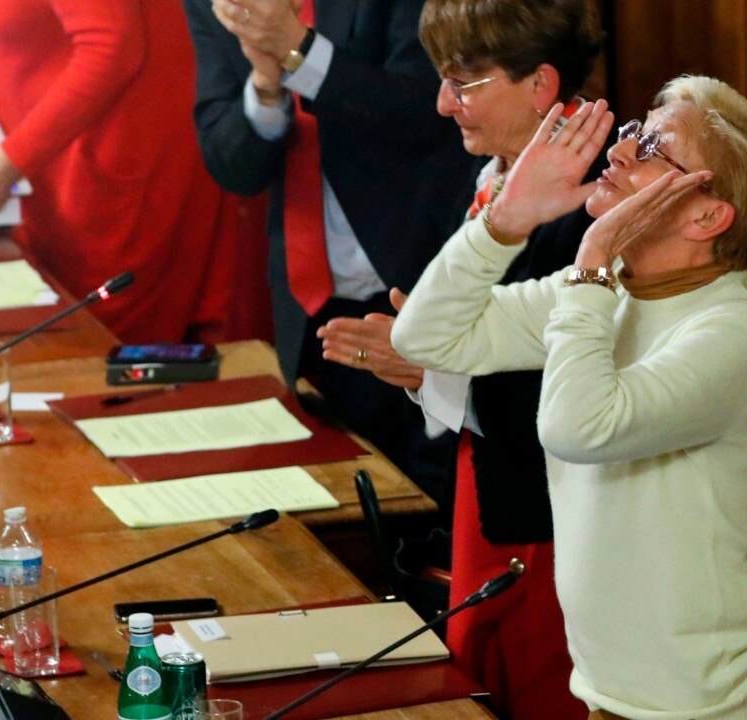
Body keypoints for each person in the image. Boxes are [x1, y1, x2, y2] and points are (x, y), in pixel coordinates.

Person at [391, 77, 747, 720]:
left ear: (707, 215)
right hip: (612, 688)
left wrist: (590, 263)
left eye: (653, 146)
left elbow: (576, 429)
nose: (618, 150)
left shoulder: (737, 329)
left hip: (714, 701)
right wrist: (507, 221)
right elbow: (424, 335)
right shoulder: (605, 288)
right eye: (631, 131)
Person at [315, 1, 602, 718]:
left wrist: (429, 369)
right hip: (484, 486)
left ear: (540, 85)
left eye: (465, 84)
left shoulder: (592, 208)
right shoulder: (481, 175)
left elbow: (577, 396)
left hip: (554, 513)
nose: (443, 106)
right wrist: (427, 366)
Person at [181, 0, 474, 502]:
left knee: (435, 511)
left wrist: (300, 51)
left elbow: (428, 110)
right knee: (346, 513)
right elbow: (232, 166)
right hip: (309, 305)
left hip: (421, 282)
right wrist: (266, 89)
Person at [0, 0, 237, 343]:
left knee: (99, 344)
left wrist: (17, 156)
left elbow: (111, 46)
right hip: (48, 146)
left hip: (117, 143)